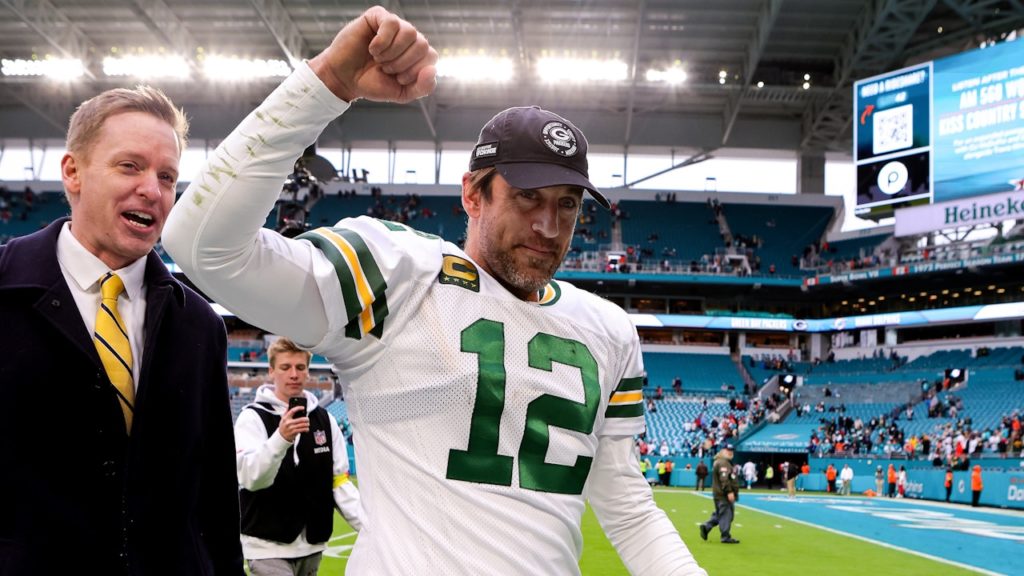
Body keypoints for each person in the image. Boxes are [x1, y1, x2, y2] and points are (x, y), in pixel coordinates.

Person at [162, 7, 705, 575]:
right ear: (472, 194)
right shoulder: (399, 272)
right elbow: (201, 244)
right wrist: (327, 83)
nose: (549, 226)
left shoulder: (608, 330)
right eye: (527, 197)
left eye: (566, 204)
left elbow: (628, 507)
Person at [0, 86, 243, 574]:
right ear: (73, 172)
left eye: (167, 176)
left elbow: (215, 497)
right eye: (130, 166)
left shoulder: (199, 325)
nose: (153, 190)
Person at [236, 337, 363, 575]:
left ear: (307, 371)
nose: (293, 374)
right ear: (271, 371)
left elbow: (339, 483)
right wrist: (281, 438)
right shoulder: (251, 418)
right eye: (285, 367)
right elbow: (252, 479)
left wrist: (371, 529)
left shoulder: (325, 420)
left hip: (312, 546)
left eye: (300, 367)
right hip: (267, 546)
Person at [699, 443, 741, 544]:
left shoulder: (722, 461)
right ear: (723, 451)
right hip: (723, 494)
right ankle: (725, 536)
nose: (730, 452)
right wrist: (729, 491)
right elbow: (724, 479)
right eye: (728, 450)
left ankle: (706, 526)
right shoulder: (723, 462)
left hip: (719, 493)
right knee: (727, 515)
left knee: (720, 513)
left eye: (731, 450)